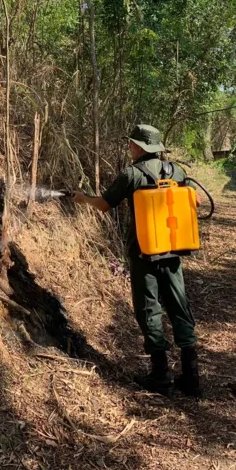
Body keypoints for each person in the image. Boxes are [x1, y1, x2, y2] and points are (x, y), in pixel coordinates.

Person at [73, 124, 202, 398]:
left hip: (144, 253)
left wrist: (83, 199)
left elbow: (105, 204)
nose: (129, 147)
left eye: (132, 143)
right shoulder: (176, 171)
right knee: (179, 306)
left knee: (148, 308)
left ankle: (160, 376)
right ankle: (192, 378)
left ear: (141, 147)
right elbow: (196, 201)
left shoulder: (131, 174)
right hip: (174, 249)